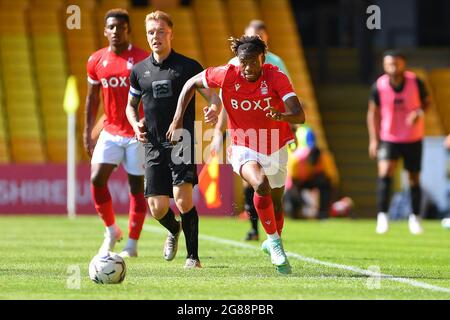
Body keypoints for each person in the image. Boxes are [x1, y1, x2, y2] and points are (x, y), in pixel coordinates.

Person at [167, 35, 305, 274]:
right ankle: (275, 244)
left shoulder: (276, 76)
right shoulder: (227, 74)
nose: (248, 67)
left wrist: (281, 115)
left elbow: (299, 115)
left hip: (275, 143)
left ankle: (272, 240)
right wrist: (178, 117)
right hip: (242, 145)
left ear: (263, 57)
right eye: (244, 61)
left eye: (253, 61)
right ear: (238, 60)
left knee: (276, 202)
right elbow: (191, 83)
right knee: (260, 184)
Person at [126, 11, 221, 268]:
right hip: (153, 144)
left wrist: (214, 107)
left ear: (171, 33)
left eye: (160, 31)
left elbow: (213, 96)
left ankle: (193, 257)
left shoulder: (188, 67)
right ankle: (173, 229)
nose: (155, 37)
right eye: (150, 32)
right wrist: (135, 124)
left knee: (183, 200)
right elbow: (131, 106)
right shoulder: (139, 71)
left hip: (183, 140)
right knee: (156, 208)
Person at [213, 19, 291, 241]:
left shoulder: (276, 64)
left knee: (275, 190)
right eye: (251, 35)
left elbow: (287, 97)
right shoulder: (233, 64)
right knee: (253, 181)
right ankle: (255, 227)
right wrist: (219, 132)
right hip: (245, 135)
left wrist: (289, 130)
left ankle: (273, 232)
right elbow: (226, 103)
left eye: (259, 36)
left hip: (273, 134)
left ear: (266, 39)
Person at [83, 9, 149, 258]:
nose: (115, 31)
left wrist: (147, 120)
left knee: (136, 189)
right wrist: (87, 131)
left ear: (128, 30)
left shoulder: (143, 59)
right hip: (110, 131)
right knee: (97, 179)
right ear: (104, 30)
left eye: (120, 27)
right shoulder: (96, 60)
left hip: (136, 133)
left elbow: (152, 95)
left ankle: (131, 245)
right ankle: (111, 230)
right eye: (111, 27)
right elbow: (91, 99)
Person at [367, 50, 430, 235]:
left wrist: (418, 112)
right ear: (384, 65)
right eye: (389, 64)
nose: (393, 66)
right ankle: (382, 217)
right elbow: (373, 112)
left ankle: (415, 218)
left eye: (397, 63)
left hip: (413, 137)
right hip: (389, 137)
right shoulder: (379, 85)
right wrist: (373, 139)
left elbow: (427, 102)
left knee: (413, 178)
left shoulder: (415, 82)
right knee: (385, 172)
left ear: (404, 63)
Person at [284, 125, 333, 220]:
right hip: (297, 182)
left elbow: (330, 179)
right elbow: (292, 182)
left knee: (325, 184)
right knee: (291, 194)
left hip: (311, 179)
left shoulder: (324, 158)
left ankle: (323, 214)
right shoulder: (296, 160)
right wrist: (301, 201)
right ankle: (295, 213)